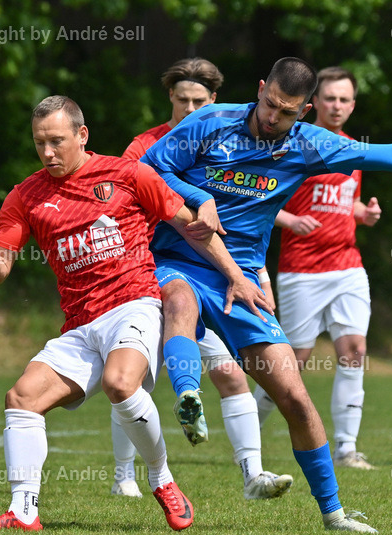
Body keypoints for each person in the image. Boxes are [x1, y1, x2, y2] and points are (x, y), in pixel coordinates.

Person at [141, 57, 392, 532]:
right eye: (269, 104)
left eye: (286, 112)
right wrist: (200, 197)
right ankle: (188, 395)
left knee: (296, 398)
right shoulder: (210, 121)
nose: (272, 118)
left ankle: (334, 514)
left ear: (305, 111)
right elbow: (147, 169)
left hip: (242, 280)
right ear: (260, 89)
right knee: (179, 301)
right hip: (178, 259)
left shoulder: (310, 145)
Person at [0, 95, 264, 532]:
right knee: (21, 398)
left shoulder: (128, 174)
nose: (48, 153)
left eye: (57, 141)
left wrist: (235, 276)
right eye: (40, 143)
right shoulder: (25, 196)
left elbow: (191, 227)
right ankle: (23, 512)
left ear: (82, 135)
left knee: (121, 383)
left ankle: (162, 480)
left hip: (134, 304)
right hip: (80, 324)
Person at [111, 57, 294, 501]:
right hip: (147, 276)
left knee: (231, 375)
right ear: (170, 98)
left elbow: (245, 219)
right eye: (182, 100)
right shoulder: (145, 147)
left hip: (210, 279)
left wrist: (259, 274)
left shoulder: (228, 140)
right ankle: (124, 477)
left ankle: (253, 476)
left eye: (199, 101)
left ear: (214, 100)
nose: (190, 109)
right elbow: (121, 202)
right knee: (134, 380)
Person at [253, 66, 381, 471]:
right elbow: (255, 199)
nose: (337, 105)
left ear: (353, 105)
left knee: (354, 350)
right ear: (314, 104)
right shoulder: (294, 143)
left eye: (344, 99)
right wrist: (290, 221)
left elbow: (344, 202)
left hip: (348, 265)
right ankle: (248, 434)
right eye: (330, 98)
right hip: (302, 271)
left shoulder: (353, 150)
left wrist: (363, 213)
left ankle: (346, 447)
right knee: (291, 364)